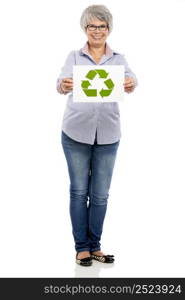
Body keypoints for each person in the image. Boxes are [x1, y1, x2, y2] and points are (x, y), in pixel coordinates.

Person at [56, 4, 138, 266]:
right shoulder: (74, 57)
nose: (97, 31)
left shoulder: (119, 59)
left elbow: (132, 79)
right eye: (92, 26)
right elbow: (60, 83)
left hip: (108, 136)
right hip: (76, 134)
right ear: (85, 28)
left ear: (109, 29)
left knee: (100, 194)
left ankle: (96, 246)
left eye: (102, 26)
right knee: (79, 191)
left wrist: (131, 83)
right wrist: (63, 84)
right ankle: (82, 248)